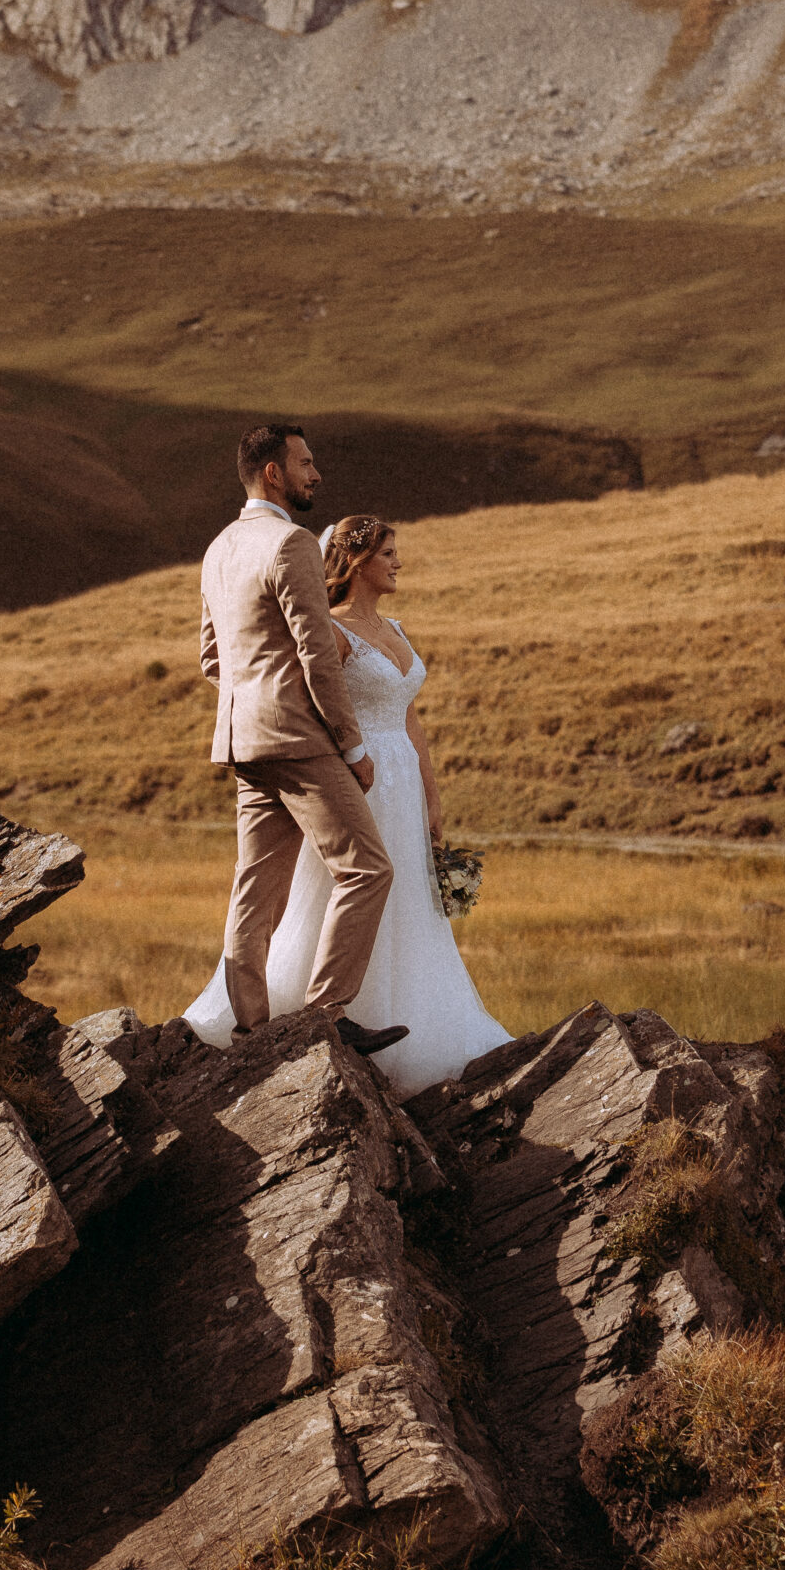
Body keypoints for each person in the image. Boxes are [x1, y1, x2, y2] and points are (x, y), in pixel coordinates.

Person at [188, 508, 511, 1096]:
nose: (398, 563)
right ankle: (318, 1014)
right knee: (342, 882)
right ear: (358, 562)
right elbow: (314, 700)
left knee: (403, 897)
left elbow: (410, 715)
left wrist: (432, 798)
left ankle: (371, 1014)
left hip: (402, 777)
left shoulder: (399, 630)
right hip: (355, 772)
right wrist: (344, 758)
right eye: (388, 554)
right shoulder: (330, 632)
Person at [196, 425, 408, 1058]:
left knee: (255, 889)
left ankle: (252, 1031)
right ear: (272, 474)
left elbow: (212, 657)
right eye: (306, 463)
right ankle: (326, 1015)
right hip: (298, 739)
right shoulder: (290, 543)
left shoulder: (218, 548)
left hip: (240, 740)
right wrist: (351, 746)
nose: (316, 475)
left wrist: (251, 698)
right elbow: (318, 653)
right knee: (367, 868)